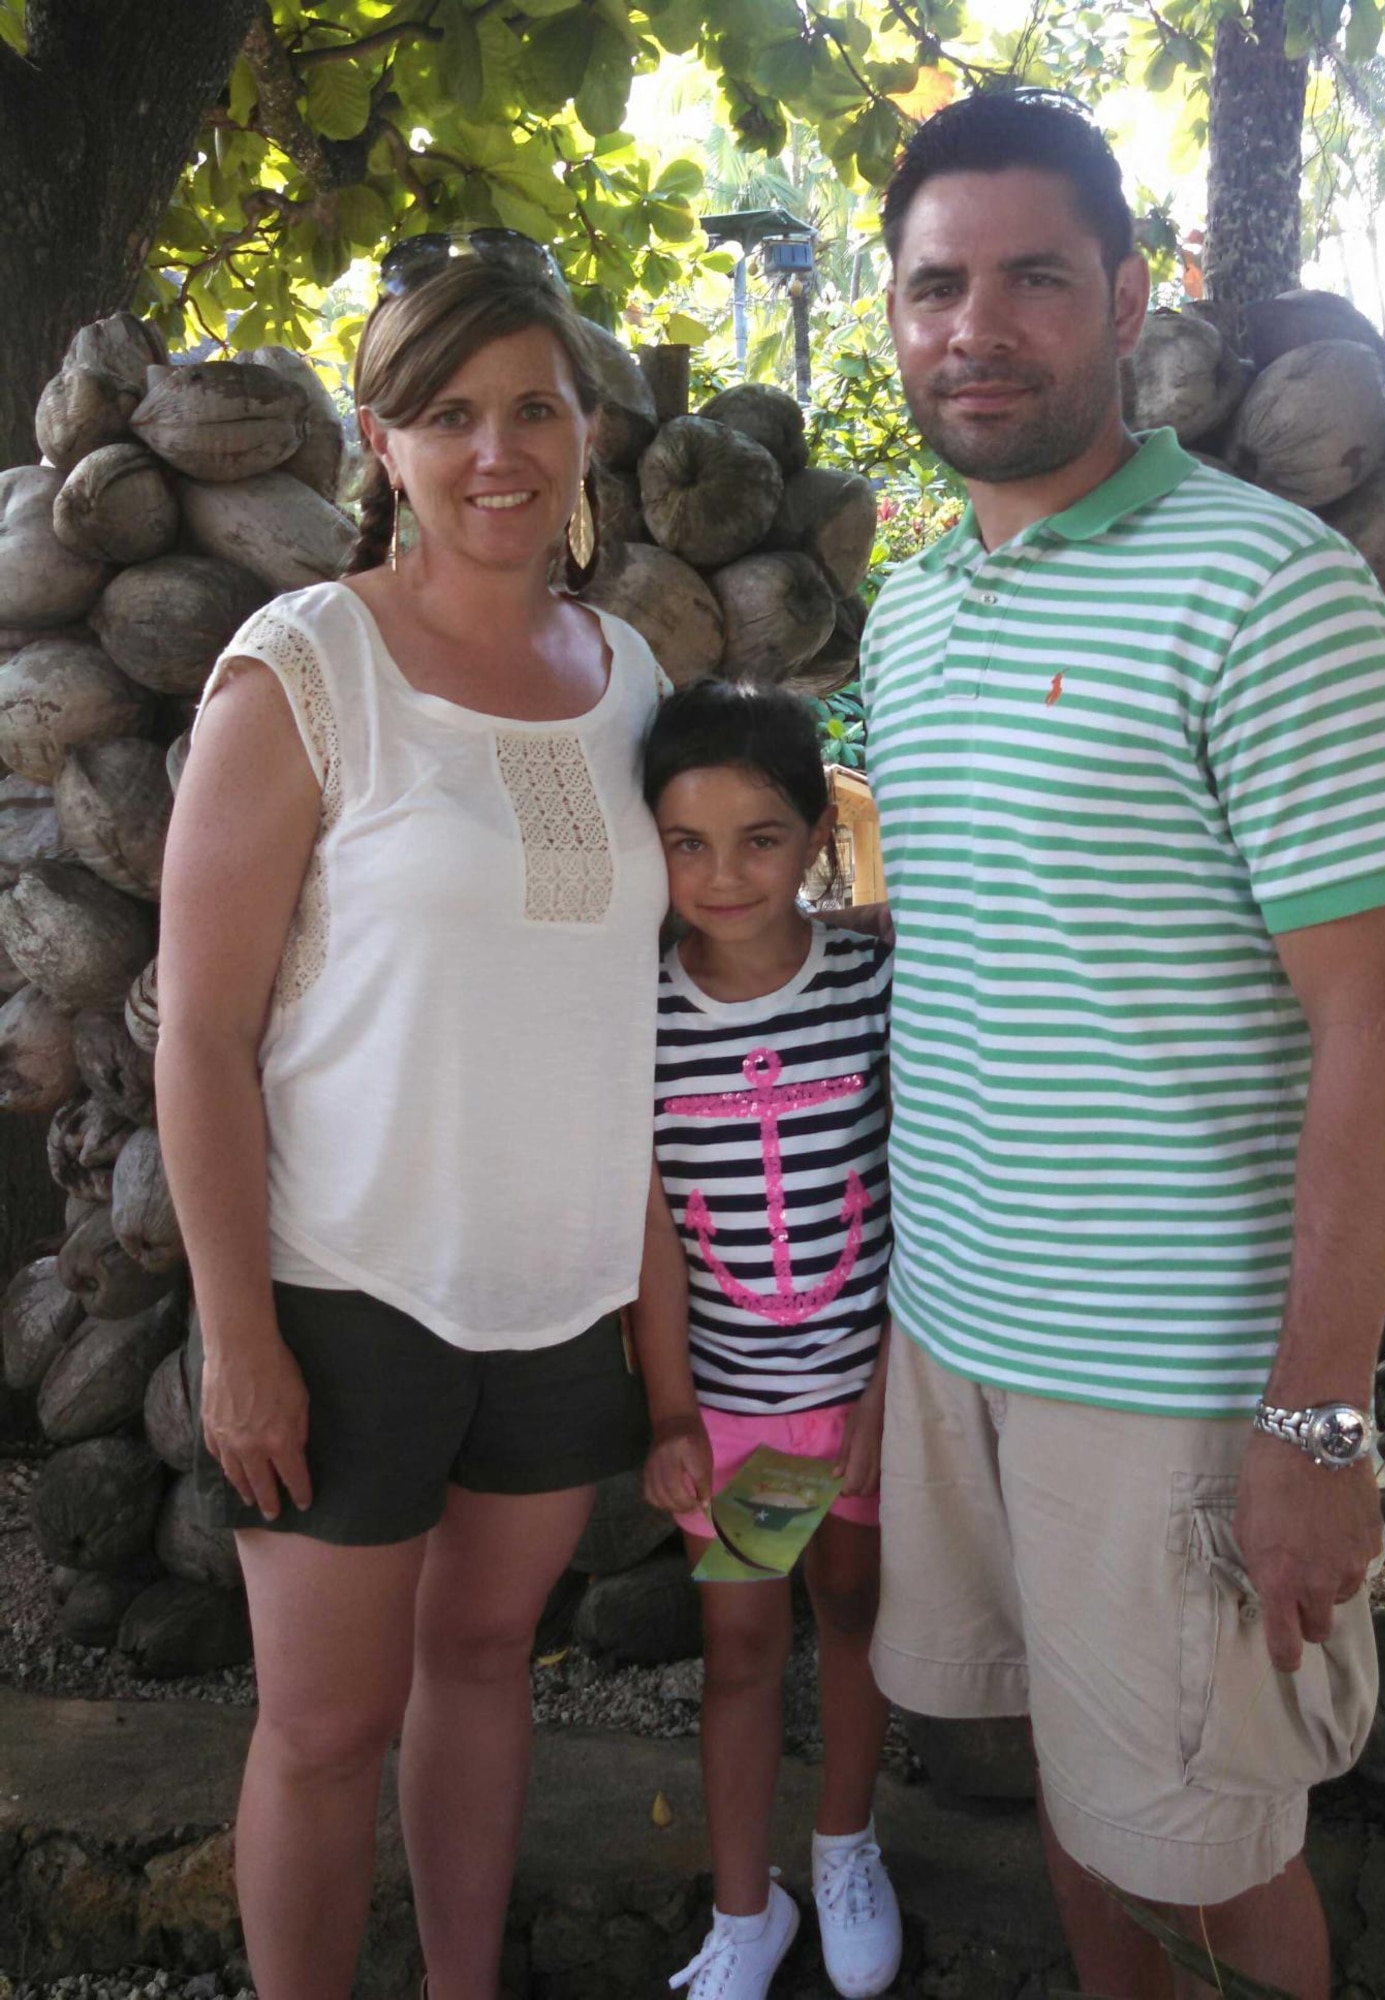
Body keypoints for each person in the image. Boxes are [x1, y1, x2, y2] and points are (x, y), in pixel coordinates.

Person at [858, 91, 1385, 1998]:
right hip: (960, 1336)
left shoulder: (1268, 591)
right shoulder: (911, 610)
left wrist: (1314, 1420)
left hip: (1175, 1387)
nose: (982, 324)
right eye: (940, 284)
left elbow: (1374, 1014)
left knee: (1208, 1844)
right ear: (894, 316)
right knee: (1079, 1790)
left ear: (1127, 297)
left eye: (1035, 276)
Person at [155, 241, 690, 2000]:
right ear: (379, 444)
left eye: (533, 406)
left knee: (482, 1667)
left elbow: (637, 1013)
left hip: (555, 1305)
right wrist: (239, 1338)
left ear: (587, 431)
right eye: (447, 413)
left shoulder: (633, 684)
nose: (496, 451)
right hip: (343, 1290)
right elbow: (205, 1035)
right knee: (319, 1727)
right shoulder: (305, 667)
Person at [638, 679, 903, 2000]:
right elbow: (656, 1244)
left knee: (852, 1613)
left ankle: (846, 1843)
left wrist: (891, 1383)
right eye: (688, 842)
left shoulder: (873, 981)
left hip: (863, 1398)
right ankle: (749, 1914)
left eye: (759, 837)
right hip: (739, 1411)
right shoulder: (640, 1018)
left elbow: (927, 1183)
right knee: (741, 1652)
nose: (724, 873)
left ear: (815, 834)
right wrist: (674, 1412)